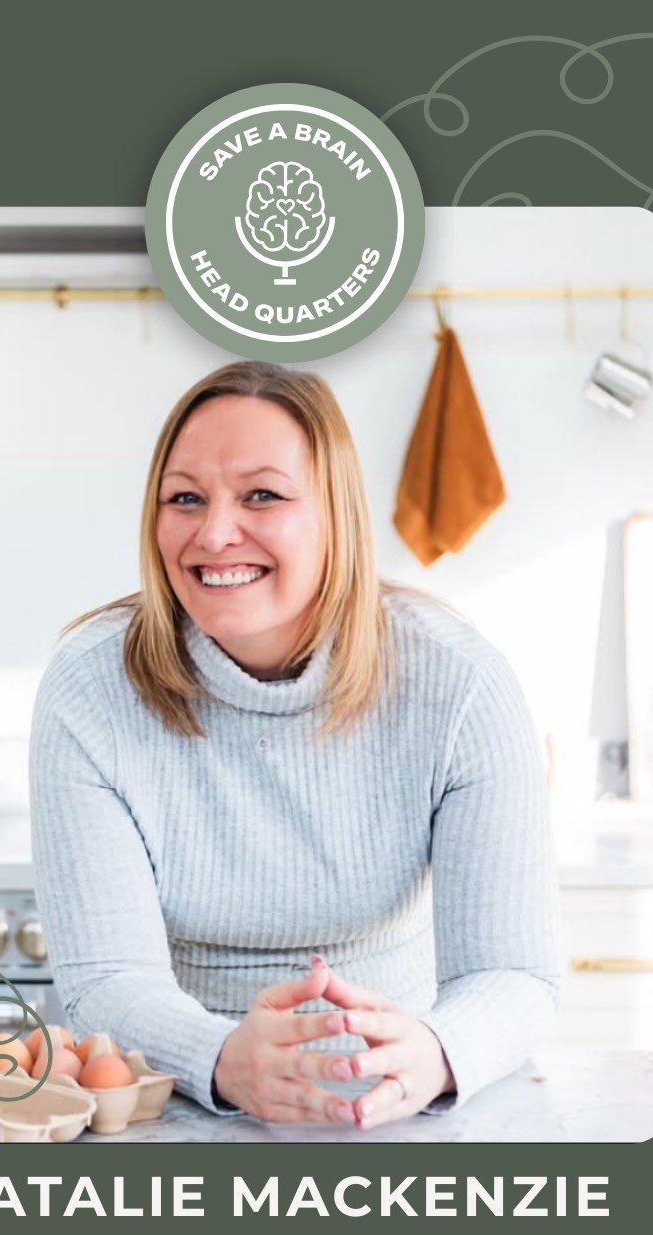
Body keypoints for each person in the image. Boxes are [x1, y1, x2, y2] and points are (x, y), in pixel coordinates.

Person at [29, 360, 560, 1130]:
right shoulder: (91, 686)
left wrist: (435, 1052)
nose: (214, 534)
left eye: (262, 496)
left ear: (337, 514)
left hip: (394, 1107)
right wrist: (223, 1058)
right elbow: (105, 979)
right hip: (176, 1103)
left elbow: (513, 973)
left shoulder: (460, 683)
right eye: (185, 498)